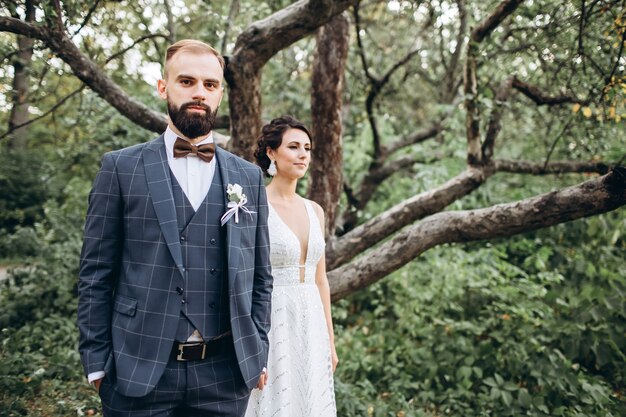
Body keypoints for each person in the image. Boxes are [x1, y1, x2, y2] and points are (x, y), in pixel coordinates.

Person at [77, 39, 273, 417]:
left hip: (224, 374)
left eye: (210, 85)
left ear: (220, 95)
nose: (199, 92)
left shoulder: (248, 178)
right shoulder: (121, 168)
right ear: (163, 87)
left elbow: (261, 276)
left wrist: (257, 350)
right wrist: (97, 360)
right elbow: (95, 274)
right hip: (137, 368)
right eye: (187, 81)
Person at [245, 116, 338, 417]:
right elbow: (244, 280)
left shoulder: (315, 211)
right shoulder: (255, 207)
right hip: (272, 321)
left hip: (312, 324)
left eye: (307, 148)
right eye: (294, 147)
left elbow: (320, 279)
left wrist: (330, 341)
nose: (303, 155)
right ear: (271, 152)